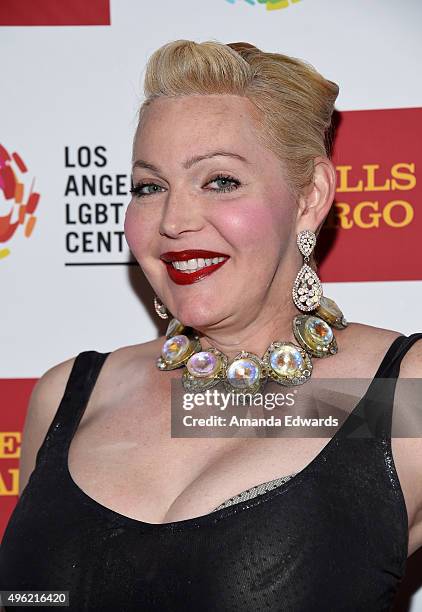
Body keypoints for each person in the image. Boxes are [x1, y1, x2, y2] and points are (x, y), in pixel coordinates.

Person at [0, 39, 421, 612]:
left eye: (219, 181)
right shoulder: (70, 397)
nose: (174, 220)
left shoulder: (401, 397)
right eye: (150, 187)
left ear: (310, 196)